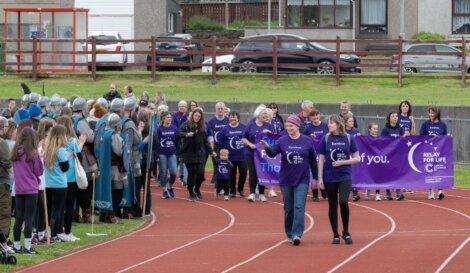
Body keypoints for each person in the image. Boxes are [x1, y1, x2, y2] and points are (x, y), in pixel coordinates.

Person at [261, 115, 318, 246]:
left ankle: (297, 234)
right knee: (289, 209)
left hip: (302, 179)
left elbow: (312, 161)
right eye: (287, 126)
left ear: (297, 126)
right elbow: (272, 154)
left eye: (291, 126)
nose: (288, 128)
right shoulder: (282, 141)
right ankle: (289, 233)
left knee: (299, 207)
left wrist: (315, 177)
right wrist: (266, 147)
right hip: (286, 179)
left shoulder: (307, 141)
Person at [317, 115, 360, 245]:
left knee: (343, 202)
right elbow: (321, 158)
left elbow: (357, 158)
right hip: (329, 175)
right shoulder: (326, 138)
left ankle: (346, 232)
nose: (328, 125)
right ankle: (335, 234)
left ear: (338, 124)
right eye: (328, 123)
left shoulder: (348, 138)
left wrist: (343, 162)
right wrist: (320, 177)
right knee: (332, 204)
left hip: (344, 175)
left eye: (331, 123)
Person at [11, 127, 44, 254]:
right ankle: (28, 247)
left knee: (18, 218)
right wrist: (41, 158)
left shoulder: (15, 152)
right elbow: (39, 171)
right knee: (29, 218)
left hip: (19, 189)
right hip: (31, 189)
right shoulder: (33, 153)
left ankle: (17, 245)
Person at [57, 116, 86, 241]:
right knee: (69, 207)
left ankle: (58, 231)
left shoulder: (55, 141)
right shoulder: (73, 142)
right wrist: (81, 143)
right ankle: (67, 231)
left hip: (58, 178)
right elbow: (79, 157)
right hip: (71, 178)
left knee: (59, 207)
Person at [178, 108, 216, 201]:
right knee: (191, 174)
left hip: (200, 153)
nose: (197, 117)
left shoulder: (202, 126)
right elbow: (179, 133)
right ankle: (191, 192)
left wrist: (211, 151)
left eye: (199, 116)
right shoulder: (186, 124)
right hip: (188, 152)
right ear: (192, 115)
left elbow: (205, 140)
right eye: (196, 115)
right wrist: (187, 134)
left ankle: (197, 188)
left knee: (200, 173)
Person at [242, 104, 274, 202]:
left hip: (263, 154)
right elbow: (243, 138)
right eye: (264, 113)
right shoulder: (251, 124)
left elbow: (273, 140)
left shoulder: (269, 126)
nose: (266, 115)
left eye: (266, 114)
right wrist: (250, 144)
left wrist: (268, 133)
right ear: (258, 114)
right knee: (253, 173)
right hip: (251, 153)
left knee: (262, 173)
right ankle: (252, 193)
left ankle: (261, 194)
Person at [44, 125, 69, 242]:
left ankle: (49, 232)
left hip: (48, 183)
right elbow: (65, 167)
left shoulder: (46, 148)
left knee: (49, 209)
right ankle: (55, 233)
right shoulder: (61, 150)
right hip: (60, 184)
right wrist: (67, 158)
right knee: (58, 210)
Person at [420, 107, 448, 200]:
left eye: (432, 113)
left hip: (439, 151)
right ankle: (430, 191)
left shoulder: (443, 124)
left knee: (439, 169)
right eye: (429, 113)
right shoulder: (425, 124)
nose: (430, 115)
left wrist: (448, 136)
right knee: (429, 170)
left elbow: (445, 137)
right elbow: (421, 136)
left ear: (437, 114)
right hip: (428, 151)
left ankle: (440, 190)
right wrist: (429, 136)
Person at [218, 111, 247, 197]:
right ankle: (233, 190)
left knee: (243, 172)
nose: (232, 118)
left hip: (242, 156)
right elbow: (220, 142)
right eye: (231, 117)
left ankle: (240, 188)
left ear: (238, 118)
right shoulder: (225, 129)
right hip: (229, 157)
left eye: (234, 117)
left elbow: (248, 139)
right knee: (231, 174)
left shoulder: (244, 127)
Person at [303, 108, 328, 202]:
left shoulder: (325, 126)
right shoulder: (308, 128)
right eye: (313, 116)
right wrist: (310, 137)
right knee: (314, 172)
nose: (315, 117)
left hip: (324, 152)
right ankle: (315, 193)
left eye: (316, 115)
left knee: (324, 171)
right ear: (310, 118)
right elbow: (303, 138)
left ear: (319, 115)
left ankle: (323, 189)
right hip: (313, 153)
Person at [381, 112, 405, 201]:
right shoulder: (385, 129)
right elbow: (381, 141)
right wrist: (390, 137)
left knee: (397, 173)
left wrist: (402, 137)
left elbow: (404, 140)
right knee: (388, 173)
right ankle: (388, 192)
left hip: (397, 155)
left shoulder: (400, 129)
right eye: (393, 116)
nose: (395, 118)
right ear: (389, 118)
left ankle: (398, 192)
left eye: (396, 116)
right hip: (388, 155)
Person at [157, 112, 178, 198]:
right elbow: (156, 142)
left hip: (172, 153)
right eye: (167, 117)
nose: (169, 119)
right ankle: (165, 190)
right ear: (163, 119)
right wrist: (156, 155)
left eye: (170, 117)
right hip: (162, 154)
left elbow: (177, 141)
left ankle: (170, 186)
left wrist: (178, 153)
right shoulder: (159, 129)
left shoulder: (174, 128)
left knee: (173, 172)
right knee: (163, 172)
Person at [208, 102, 229, 185]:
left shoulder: (228, 120)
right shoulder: (211, 121)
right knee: (217, 165)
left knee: (226, 165)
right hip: (216, 146)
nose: (220, 110)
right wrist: (211, 149)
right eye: (218, 108)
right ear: (215, 110)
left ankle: (226, 184)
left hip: (226, 146)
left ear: (224, 110)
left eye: (221, 108)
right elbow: (209, 136)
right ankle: (217, 186)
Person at [0, 117, 13, 246]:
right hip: (2, 182)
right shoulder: (2, 143)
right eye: (6, 127)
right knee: (4, 212)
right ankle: (3, 244)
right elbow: (6, 162)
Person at [363, 123, 383, 201]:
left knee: (377, 177)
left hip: (377, 160)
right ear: (370, 129)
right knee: (369, 176)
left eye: (376, 129)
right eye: (374, 129)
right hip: (369, 160)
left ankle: (377, 194)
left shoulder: (379, 138)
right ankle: (368, 190)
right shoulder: (366, 138)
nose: (376, 130)